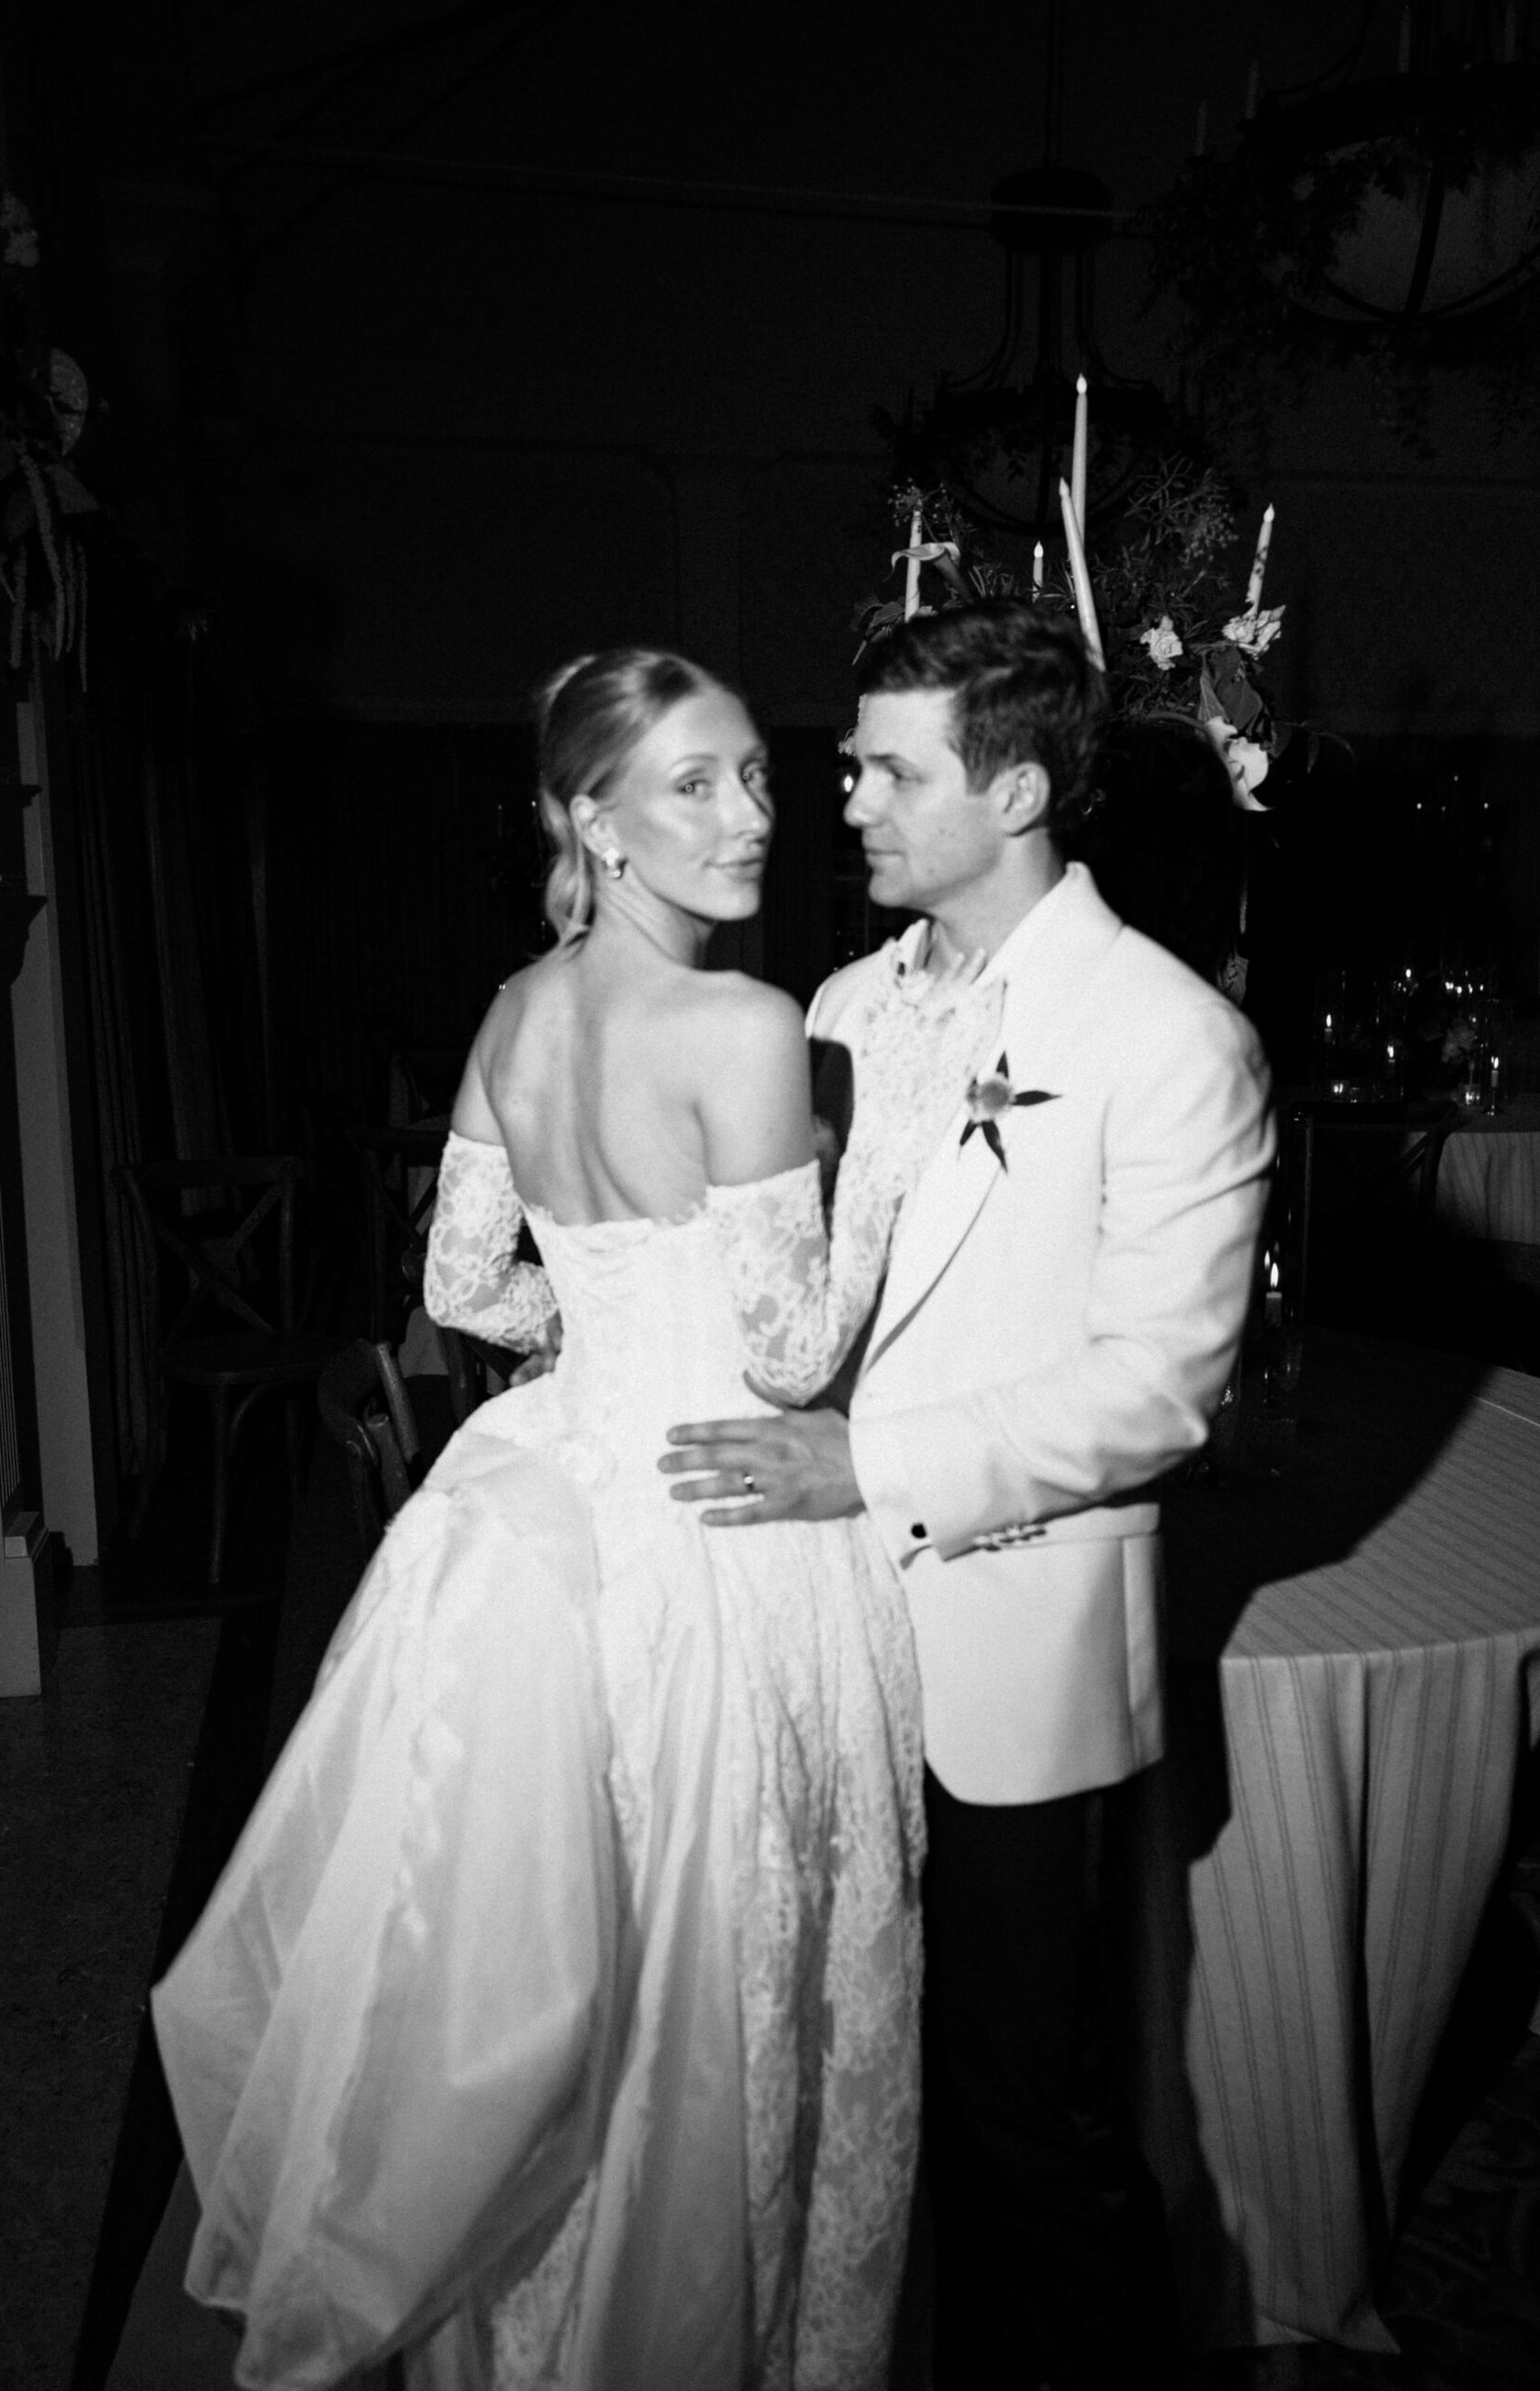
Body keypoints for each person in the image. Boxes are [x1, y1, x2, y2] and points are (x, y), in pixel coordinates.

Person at [150, 649, 936, 2391]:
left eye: (758, 774)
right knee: (725, 1957)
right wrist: (878, 1171)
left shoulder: (513, 1013)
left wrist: (598, 1337)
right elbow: (789, 1354)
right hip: (723, 1536)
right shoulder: (751, 1029)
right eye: (696, 784)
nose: (752, 814)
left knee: (580, 1956)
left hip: (567, 1494)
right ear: (598, 819)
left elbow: (458, 1283)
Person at [661, 603, 1276, 2391]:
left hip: (1015, 1656)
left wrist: (869, 1465)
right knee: (867, 2096)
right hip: (825, 1634)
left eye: (887, 770)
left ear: (1015, 793)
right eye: (850, 764)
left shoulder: (1170, 1035)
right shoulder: (843, 1006)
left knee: (1028, 2115)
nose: (843, 799)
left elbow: (1158, 1388)